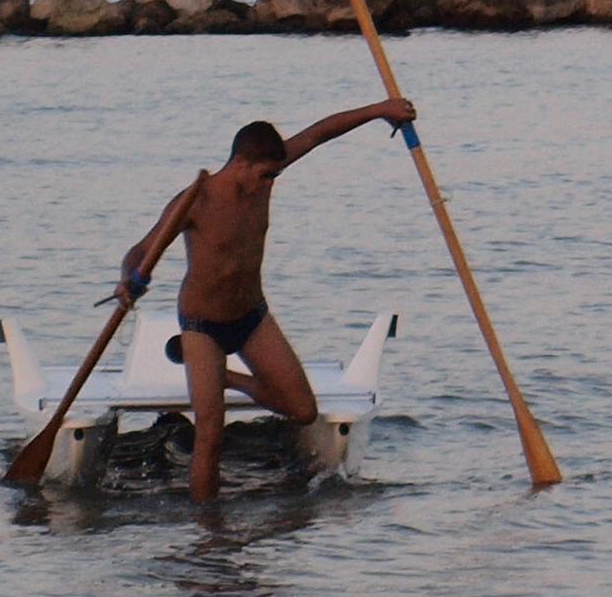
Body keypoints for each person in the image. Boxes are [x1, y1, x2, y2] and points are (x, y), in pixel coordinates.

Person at [119, 96, 413, 499]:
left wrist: (380, 110)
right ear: (242, 164)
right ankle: (207, 525)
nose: (272, 182)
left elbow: (319, 133)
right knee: (210, 434)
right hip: (202, 326)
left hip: (252, 316)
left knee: (303, 410)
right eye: (266, 175)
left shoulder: (264, 172)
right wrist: (128, 280)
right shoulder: (196, 201)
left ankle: (226, 378)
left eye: (275, 174)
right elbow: (141, 250)